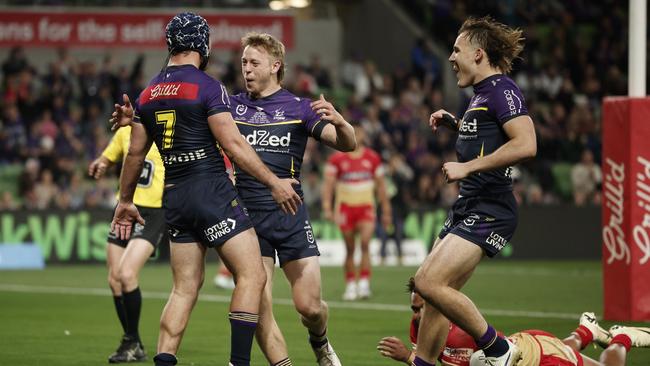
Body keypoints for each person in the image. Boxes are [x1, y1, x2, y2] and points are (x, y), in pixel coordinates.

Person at [109, 13, 301, 366]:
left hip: (175, 197)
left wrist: (124, 200)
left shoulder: (147, 94)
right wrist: (274, 182)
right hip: (211, 191)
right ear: (203, 45)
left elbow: (135, 154)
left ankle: (165, 360)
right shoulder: (207, 86)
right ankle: (238, 363)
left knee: (184, 289)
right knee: (252, 275)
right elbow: (235, 146)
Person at [412, 16, 537, 366]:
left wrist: (465, 167)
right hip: (468, 205)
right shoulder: (481, 95)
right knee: (438, 295)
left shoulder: (502, 90)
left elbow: (526, 144)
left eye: (456, 50)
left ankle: (499, 350)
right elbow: (486, 137)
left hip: (491, 207)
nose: (451, 57)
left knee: (427, 282)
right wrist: (458, 124)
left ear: (478, 54)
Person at [229, 32, 356, 366]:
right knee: (256, 303)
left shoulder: (299, 108)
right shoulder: (232, 105)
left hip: (290, 214)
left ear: (275, 66)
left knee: (310, 307)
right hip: (248, 219)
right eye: (243, 62)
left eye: (254, 62)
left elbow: (346, 144)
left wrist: (342, 123)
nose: (247, 69)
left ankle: (320, 341)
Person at [378, 279, 650, 366]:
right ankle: (585, 331)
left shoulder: (461, 334)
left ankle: (623, 336)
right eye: (414, 309)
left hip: (537, 357)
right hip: (528, 348)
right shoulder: (418, 326)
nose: (417, 316)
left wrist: (406, 357)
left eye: (422, 308)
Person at [89, 124, 167, 363]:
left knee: (126, 273)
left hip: (153, 212)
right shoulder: (125, 133)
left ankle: (131, 342)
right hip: (124, 209)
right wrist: (101, 163)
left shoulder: (166, 137)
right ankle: (133, 342)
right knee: (114, 279)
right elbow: (108, 156)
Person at [322, 124, 392, 300]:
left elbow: (381, 187)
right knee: (350, 248)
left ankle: (364, 283)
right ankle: (351, 284)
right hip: (345, 208)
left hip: (366, 208)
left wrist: (386, 210)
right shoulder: (337, 159)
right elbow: (328, 186)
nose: (357, 134)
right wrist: (327, 208)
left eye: (359, 131)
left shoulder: (373, 158)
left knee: (366, 244)